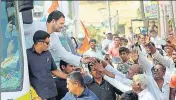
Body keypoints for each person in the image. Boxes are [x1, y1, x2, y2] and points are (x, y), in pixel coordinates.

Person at [24, 10, 91, 67]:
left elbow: (64, 54)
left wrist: (81, 59)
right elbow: (16, 31)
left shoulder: (55, 38)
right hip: (22, 65)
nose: (62, 26)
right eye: (61, 23)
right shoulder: (34, 26)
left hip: (36, 69)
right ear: (53, 21)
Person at [27, 30, 67, 100]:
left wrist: (70, 77)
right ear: (40, 43)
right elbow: (25, 78)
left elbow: (54, 70)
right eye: (47, 43)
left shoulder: (47, 53)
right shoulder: (27, 55)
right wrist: (34, 95)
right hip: (38, 96)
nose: (49, 45)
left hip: (52, 93)